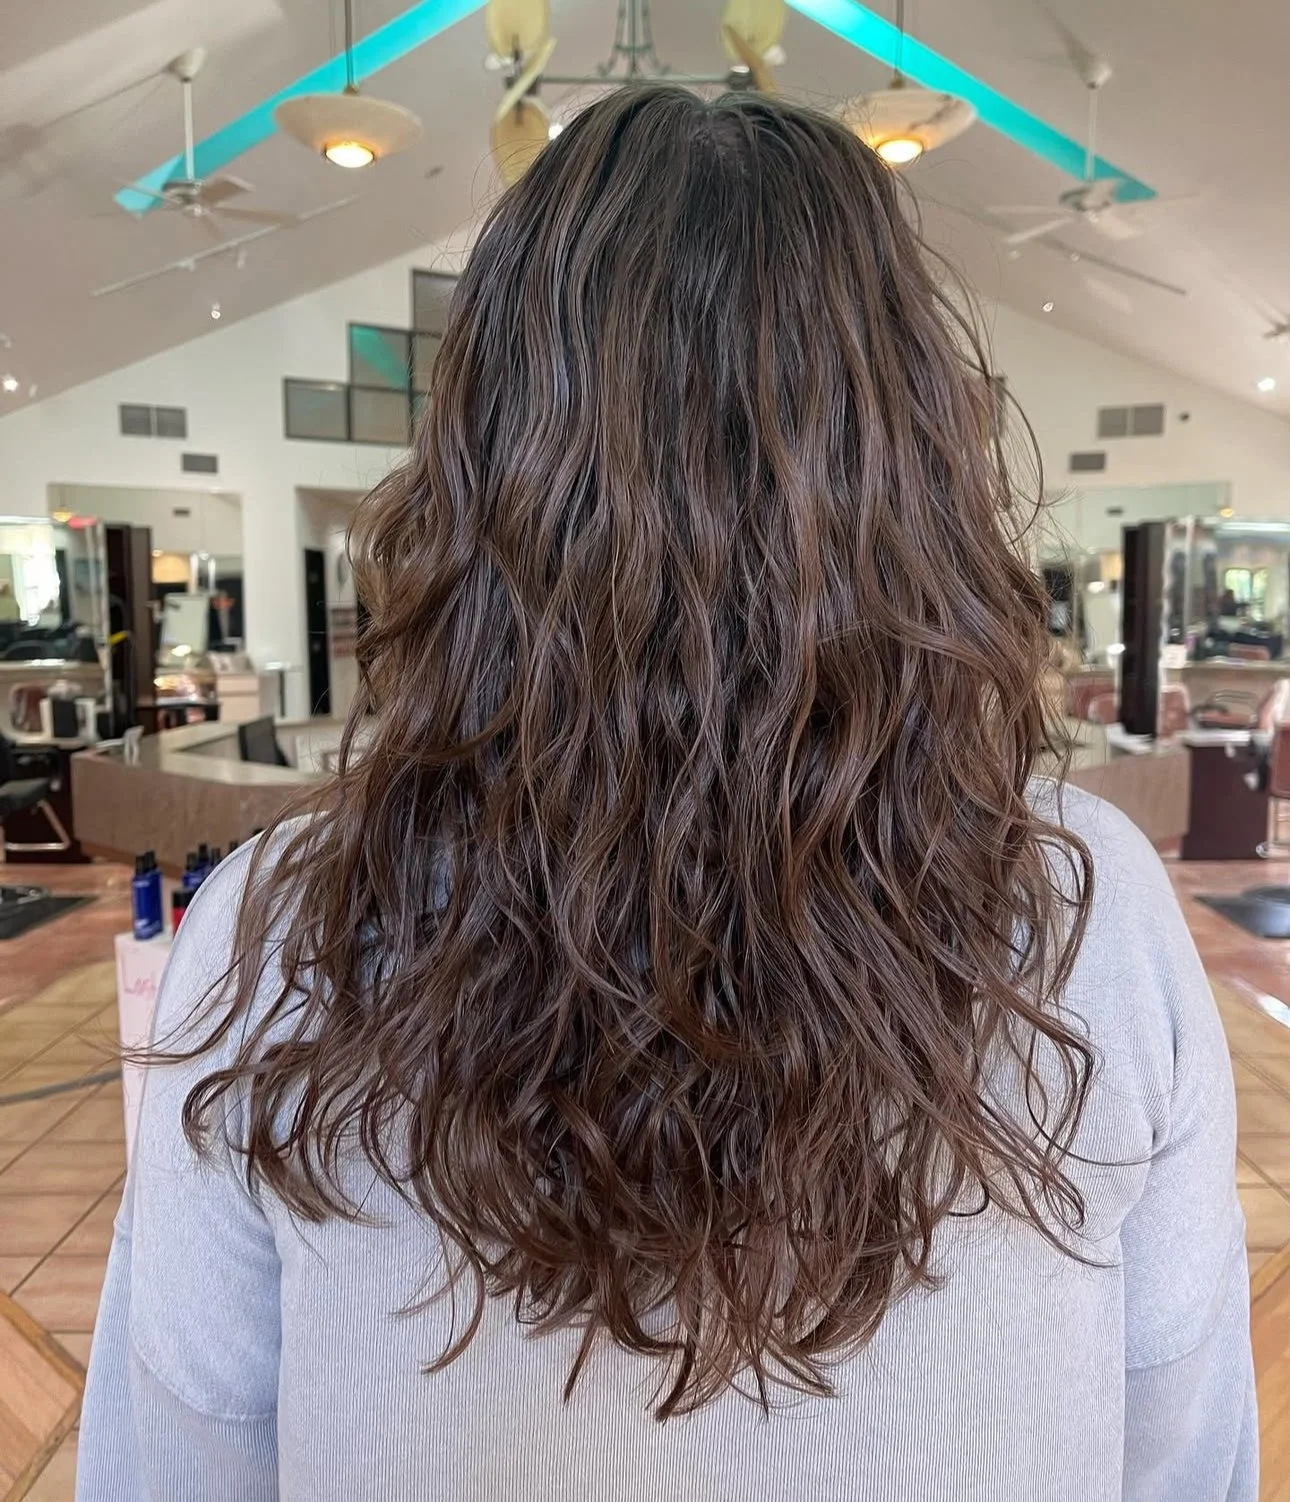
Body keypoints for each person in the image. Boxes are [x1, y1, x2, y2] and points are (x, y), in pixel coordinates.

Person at [78, 87, 1254, 1500]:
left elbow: (175, 1461)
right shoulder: (1089, 911)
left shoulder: (277, 936)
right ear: (918, 464)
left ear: (480, 467)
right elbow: (1182, 1453)